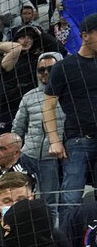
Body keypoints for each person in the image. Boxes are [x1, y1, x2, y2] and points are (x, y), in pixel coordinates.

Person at [43, 12, 97, 218]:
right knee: (70, 199)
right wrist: (54, 140)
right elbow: (48, 105)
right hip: (77, 141)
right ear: (85, 36)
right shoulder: (64, 67)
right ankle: (69, 244)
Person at [12, 52, 64, 219]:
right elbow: (18, 127)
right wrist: (16, 152)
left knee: (50, 205)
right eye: (41, 70)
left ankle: (49, 239)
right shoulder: (29, 96)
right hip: (28, 157)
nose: (46, 73)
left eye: (51, 68)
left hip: (52, 159)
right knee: (20, 201)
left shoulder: (69, 94)